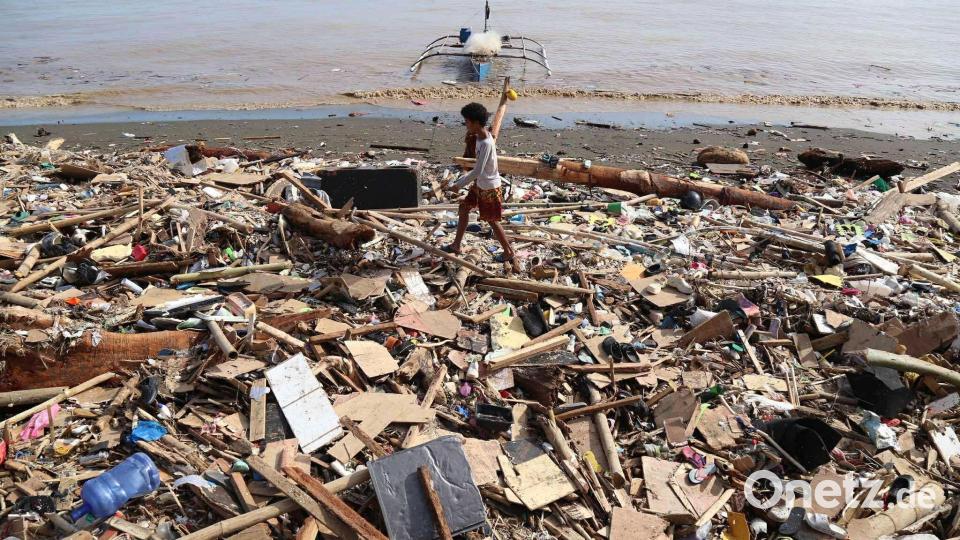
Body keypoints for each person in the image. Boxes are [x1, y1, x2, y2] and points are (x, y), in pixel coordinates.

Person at [444, 102, 519, 272]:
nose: (466, 125)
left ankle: (508, 252)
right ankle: (456, 245)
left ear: (477, 122)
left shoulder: (486, 142)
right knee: (464, 208)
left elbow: (478, 170)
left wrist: (458, 185)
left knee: (492, 221)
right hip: (480, 184)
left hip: (490, 187)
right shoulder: (477, 137)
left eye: (468, 122)